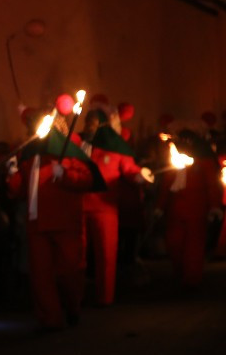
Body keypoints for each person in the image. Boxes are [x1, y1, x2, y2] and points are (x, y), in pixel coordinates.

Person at [7, 101, 102, 330]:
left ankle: (72, 305)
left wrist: (66, 174)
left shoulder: (71, 151)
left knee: (70, 270)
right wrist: (12, 174)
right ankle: (50, 318)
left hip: (65, 221)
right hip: (36, 222)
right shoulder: (29, 153)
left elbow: (88, 180)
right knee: (41, 275)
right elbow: (19, 190)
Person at [80, 108, 152, 306]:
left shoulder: (115, 147)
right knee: (77, 254)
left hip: (105, 208)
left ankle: (105, 297)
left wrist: (140, 175)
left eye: (93, 123)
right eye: (88, 123)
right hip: (78, 206)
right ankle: (75, 296)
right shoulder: (79, 144)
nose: (89, 127)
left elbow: (129, 170)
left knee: (106, 254)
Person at [155, 126, 223, 287]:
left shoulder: (204, 161)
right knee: (174, 243)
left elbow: (211, 185)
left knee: (194, 246)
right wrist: (160, 206)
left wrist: (214, 206)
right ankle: (180, 273)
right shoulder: (174, 160)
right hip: (175, 210)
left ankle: (191, 279)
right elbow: (166, 185)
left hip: (196, 210)